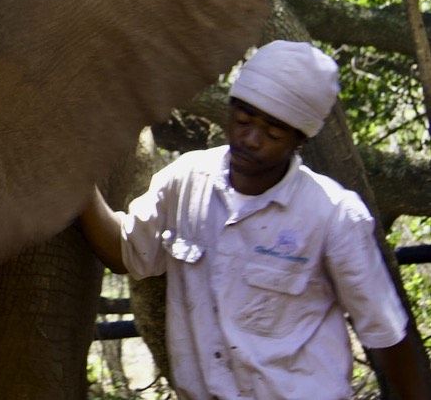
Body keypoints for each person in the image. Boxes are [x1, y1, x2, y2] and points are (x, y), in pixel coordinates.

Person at [79, 40, 429, 399]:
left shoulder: (333, 216)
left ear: (300, 139)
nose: (251, 139)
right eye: (243, 119)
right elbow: (124, 251)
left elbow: (386, 337)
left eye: (273, 132)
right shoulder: (185, 183)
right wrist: (74, 182)